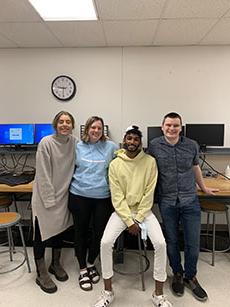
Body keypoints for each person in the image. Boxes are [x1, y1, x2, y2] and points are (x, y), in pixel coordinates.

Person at [94, 125, 172, 307]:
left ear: (140, 142)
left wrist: (138, 219)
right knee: (105, 243)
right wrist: (129, 221)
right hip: (122, 212)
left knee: (161, 244)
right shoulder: (115, 164)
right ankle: (107, 292)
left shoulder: (150, 162)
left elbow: (149, 193)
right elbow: (117, 196)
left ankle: (158, 294)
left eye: (136, 139)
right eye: (129, 138)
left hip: (144, 212)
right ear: (124, 140)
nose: (132, 142)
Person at [148, 112, 218, 302]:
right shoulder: (154, 146)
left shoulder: (191, 145)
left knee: (192, 242)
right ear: (162, 126)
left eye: (176, 125)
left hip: (189, 200)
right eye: (168, 125)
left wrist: (203, 188)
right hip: (167, 200)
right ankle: (177, 274)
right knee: (171, 241)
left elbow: (195, 167)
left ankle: (191, 276)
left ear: (181, 127)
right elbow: (147, 169)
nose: (172, 129)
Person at [68, 116, 118, 291]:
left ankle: (91, 263)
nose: (96, 130)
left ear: (103, 130)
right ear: (86, 129)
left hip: (102, 197)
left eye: (99, 128)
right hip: (79, 195)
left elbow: (123, 164)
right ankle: (82, 269)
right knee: (80, 232)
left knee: (100, 233)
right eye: (93, 127)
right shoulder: (76, 146)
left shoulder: (111, 147)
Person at [32, 111, 76, 294]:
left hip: (63, 195)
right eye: (61, 122)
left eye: (68, 122)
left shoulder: (74, 142)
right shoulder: (46, 143)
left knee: (59, 230)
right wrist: (49, 200)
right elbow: (42, 174)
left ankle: (55, 264)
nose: (64, 125)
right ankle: (41, 273)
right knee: (41, 234)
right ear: (55, 124)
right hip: (45, 197)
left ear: (72, 125)